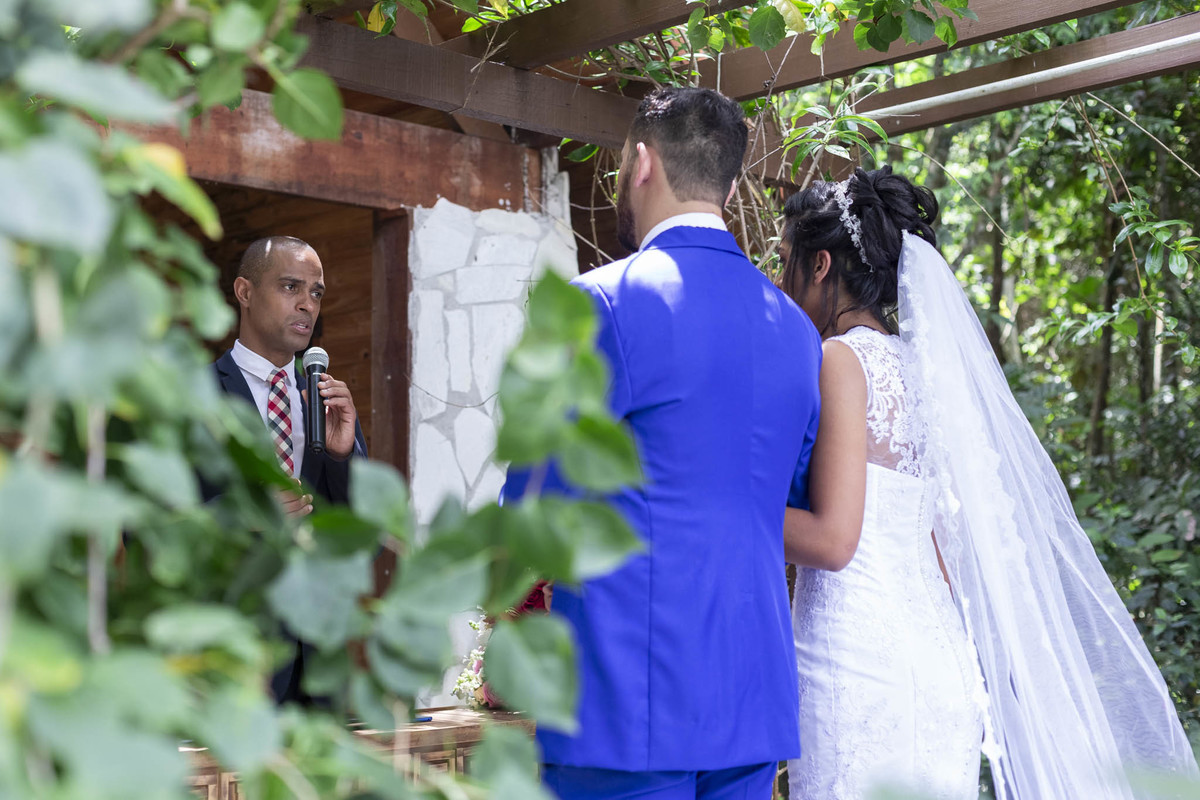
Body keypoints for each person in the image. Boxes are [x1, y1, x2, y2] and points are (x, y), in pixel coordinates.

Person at [779, 166, 1197, 798]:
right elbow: (943, 547)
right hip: (941, 661)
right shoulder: (921, 370)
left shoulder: (841, 360)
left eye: (785, 263)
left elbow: (835, 541)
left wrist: (719, 506)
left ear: (820, 265)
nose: (779, 283)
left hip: (858, 663)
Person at [503, 87, 822, 800]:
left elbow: (534, 501)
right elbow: (783, 499)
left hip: (625, 699)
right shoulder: (798, 333)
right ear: (731, 189)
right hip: (750, 701)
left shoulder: (597, 304)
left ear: (641, 163)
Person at [211, 235, 367, 703]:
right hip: (230, 661)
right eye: (290, 287)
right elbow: (148, 531)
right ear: (245, 292)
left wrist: (342, 459)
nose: (307, 305)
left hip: (319, 667)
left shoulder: (325, 401)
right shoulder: (196, 396)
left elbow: (365, 538)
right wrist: (245, 516)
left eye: (316, 293)